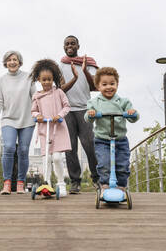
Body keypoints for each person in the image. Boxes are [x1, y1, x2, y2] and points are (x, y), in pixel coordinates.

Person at [85, 67, 139, 197]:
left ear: (117, 84)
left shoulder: (123, 102)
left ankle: (121, 187)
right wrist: (91, 114)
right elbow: (87, 118)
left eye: (112, 84)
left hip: (120, 139)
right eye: (104, 84)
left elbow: (134, 118)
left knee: (122, 164)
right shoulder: (94, 102)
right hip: (102, 140)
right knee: (104, 163)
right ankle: (105, 186)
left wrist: (132, 113)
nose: (109, 87)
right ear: (98, 86)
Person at [0, 51, 36, 195]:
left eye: (15, 59)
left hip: (27, 119)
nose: (12, 62)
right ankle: (7, 183)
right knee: (9, 147)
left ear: (19, 62)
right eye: (9, 60)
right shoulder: (1, 81)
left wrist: (39, 113)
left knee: (23, 150)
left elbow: (35, 97)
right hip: (8, 119)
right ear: (5, 63)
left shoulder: (29, 78)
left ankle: (21, 182)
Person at [59, 35, 100, 194]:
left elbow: (95, 85)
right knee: (70, 148)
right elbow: (60, 88)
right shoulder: (60, 65)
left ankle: (97, 179)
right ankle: (75, 182)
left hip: (85, 108)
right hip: (67, 110)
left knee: (89, 144)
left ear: (78, 46)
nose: (70, 46)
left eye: (73, 43)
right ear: (64, 47)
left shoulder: (88, 63)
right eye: (67, 44)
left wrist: (83, 71)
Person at [30, 59, 72, 197]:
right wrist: (38, 115)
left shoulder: (59, 92)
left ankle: (61, 183)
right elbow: (33, 111)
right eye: (44, 80)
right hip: (44, 130)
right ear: (38, 80)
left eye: (49, 79)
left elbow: (67, 106)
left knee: (57, 158)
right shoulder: (37, 96)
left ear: (53, 79)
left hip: (57, 129)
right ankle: (46, 183)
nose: (47, 82)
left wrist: (60, 115)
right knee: (46, 159)